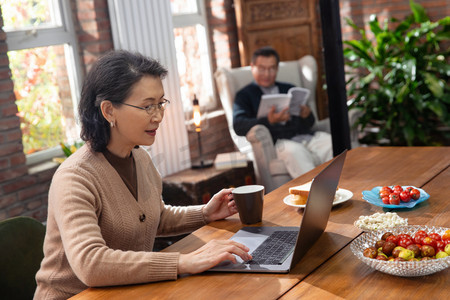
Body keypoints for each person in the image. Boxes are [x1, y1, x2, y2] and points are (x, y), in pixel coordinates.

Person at [34, 50, 251, 299]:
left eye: (160, 103)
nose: (158, 116)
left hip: (128, 291)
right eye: (147, 106)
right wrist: (182, 262)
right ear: (108, 111)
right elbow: (90, 263)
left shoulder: (140, 158)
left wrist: (205, 213)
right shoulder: (74, 178)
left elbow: (153, 218)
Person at [233, 46, 333, 178]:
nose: (267, 74)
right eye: (262, 69)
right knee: (294, 152)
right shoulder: (244, 95)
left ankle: (344, 190)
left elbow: (310, 122)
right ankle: (316, 195)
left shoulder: (289, 88)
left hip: (307, 136)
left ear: (277, 68)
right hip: (282, 142)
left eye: (272, 68)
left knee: (333, 143)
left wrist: (307, 115)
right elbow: (239, 125)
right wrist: (269, 120)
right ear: (253, 67)